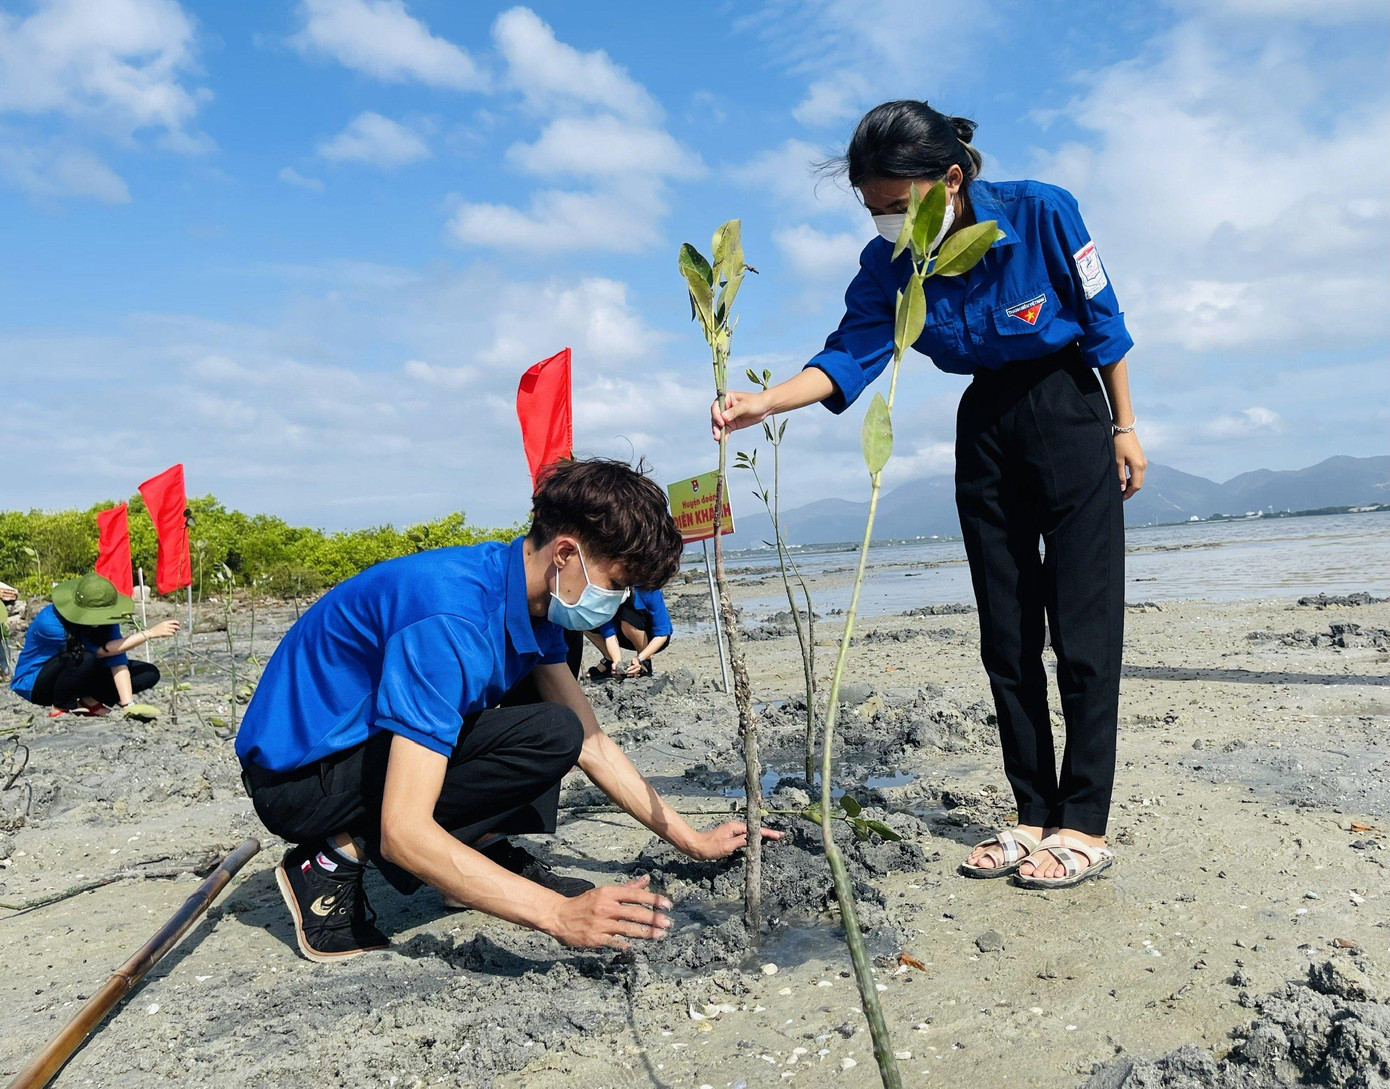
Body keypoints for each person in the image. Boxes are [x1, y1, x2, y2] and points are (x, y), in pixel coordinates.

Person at [711, 101, 1145, 890]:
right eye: (874, 211)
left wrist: (1124, 424)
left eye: (897, 207)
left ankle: (1083, 822)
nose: (886, 224)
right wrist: (763, 402)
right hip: (983, 423)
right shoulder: (891, 266)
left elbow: (1101, 317)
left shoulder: (1041, 210)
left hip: (1068, 408)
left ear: (950, 179)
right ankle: (1029, 814)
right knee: (1005, 633)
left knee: (1082, 627)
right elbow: (850, 352)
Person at [235, 458, 781, 963]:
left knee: (554, 727)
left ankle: (471, 850)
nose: (618, 605)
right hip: (302, 779)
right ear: (565, 554)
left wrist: (693, 839)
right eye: (616, 585)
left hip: (364, 748)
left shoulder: (527, 592)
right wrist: (558, 914)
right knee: (536, 734)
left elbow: (589, 744)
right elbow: (403, 831)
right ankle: (333, 857)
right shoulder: (450, 616)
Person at [9, 572, 177, 716]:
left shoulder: (106, 619)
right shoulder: (50, 623)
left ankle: (89, 701)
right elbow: (99, 652)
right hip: (37, 683)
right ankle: (60, 707)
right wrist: (149, 633)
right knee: (83, 658)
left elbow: (116, 658)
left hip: (79, 675)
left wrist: (129, 705)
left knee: (148, 673)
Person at [585, 587, 672, 679]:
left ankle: (644, 664)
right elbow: (609, 635)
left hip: (652, 639)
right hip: (622, 635)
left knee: (628, 616)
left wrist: (640, 658)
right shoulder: (607, 594)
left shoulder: (649, 590)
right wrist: (617, 663)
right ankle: (609, 661)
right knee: (584, 619)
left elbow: (662, 634)